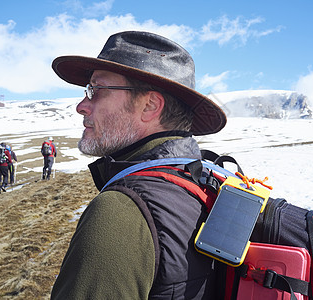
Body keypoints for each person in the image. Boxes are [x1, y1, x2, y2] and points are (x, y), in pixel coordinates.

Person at [50, 31, 226, 299]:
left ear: (150, 105)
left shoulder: (121, 210)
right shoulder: (201, 180)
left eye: (96, 90)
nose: (82, 106)